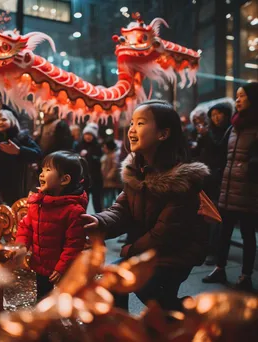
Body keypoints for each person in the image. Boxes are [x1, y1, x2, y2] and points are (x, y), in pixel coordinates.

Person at [82, 100, 210, 311]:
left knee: (143, 288)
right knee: (117, 283)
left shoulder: (182, 180)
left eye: (140, 123)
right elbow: (121, 210)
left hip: (176, 254)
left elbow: (165, 234)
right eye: (132, 123)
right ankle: (124, 329)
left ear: (163, 134)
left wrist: (130, 249)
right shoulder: (137, 171)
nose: (131, 129)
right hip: (150, 251)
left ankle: (188, 314)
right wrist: (99, 221)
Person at [202, 82, 258, 292]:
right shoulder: (234, 126)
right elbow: (220, 152)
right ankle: (220, 268)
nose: (238, 99)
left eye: (242, 96)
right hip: (227, 187)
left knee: (247, 234)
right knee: (224, 232)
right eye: (237, 96)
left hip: (249, 190)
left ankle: (245, 276)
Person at [15, 151, 89, 301]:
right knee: (42, 298)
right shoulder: (38, 202)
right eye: (42, 169)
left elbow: (73, 245)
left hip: (63, 269)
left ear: (64, 179)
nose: (41, 174)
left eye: (48, 170)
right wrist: (21, 246)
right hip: (41, 263)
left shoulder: (73, 211)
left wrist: (62, 267)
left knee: (64, 301)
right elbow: (26, 226)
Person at [193, 103, 232, 265]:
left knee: (216, 216)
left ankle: (214, 251)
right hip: (207, 179)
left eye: (219, 114)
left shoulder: (229, 131)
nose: (216, 117)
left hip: (220, 179)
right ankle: (205, 248)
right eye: (213, 114)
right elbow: (198, 153)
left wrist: (205, 135)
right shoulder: (208, 133)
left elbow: (219, 150)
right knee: (204, 214)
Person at [0, 109, 42, 205]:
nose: (0, 122)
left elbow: (38, 153)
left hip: (18, 183)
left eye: (4, 119)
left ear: (12, 120)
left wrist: (19, 151)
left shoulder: (22, 137)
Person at [74, 123, 103, 212]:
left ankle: (99, 219)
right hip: (83, 177)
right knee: (83, 199)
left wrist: (89, 155)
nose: (88, 137)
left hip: (95, 177)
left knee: (97, 200)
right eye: (86, 134)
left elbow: (100, 159)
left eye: (90, 135)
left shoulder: (98, 146)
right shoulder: (79, 145)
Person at [101, 138, 122, 208]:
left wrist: (109, 175)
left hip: (111, 181)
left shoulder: (113, 156)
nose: (104, 149)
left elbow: (115, 167)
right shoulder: (106, 156)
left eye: (105, 147)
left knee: (109, 198)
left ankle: (108, 210)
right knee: (106, 197)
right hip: (106, 181)